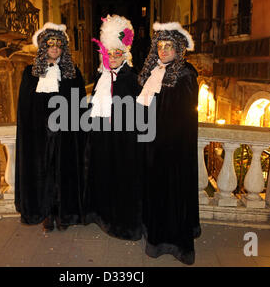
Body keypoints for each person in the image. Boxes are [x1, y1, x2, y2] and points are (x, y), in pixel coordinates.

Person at [137, 22, 201, 265]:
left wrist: (164, 141)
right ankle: (153, 232)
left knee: (170, 194)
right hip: (152, 145)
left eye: (169, 46)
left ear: (179, 48)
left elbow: (183, 117)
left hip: (172, 151)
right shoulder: (154, 71)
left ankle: (172, 243)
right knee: (154, 192)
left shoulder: (185, 74)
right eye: (160, 46)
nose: (164, 50)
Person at [15, 22, 86, 233]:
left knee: (64, 174)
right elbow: (24, 107)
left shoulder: (73, 74)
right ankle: (45, 213)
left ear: (63, 48)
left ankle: (63, 214)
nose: (54, 47)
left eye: (58, 44)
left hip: (65, 134)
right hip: (39, 135)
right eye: (50, 43)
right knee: (43, 174)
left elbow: (79, 104)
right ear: (43, 47)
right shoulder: (30, 73)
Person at [84, 15, 142, 240]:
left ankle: (122, 223)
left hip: (124, 143)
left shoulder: (132, 79)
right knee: (103, 177)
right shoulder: (101, 78)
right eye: (109, 53)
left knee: (122, 181)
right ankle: (102, 216)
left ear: (125, 54)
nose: (113, 57)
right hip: (103, 140)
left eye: (117, 53)